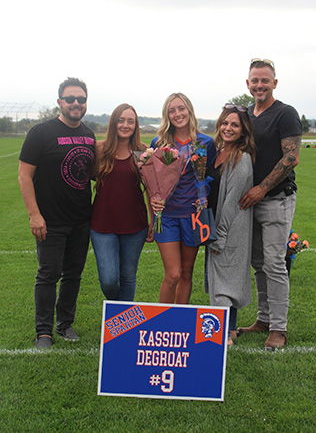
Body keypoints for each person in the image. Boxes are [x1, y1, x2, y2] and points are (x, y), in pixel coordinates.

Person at [18, 77, 95, 349]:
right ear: (60, 102)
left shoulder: (89, 134)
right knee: (48, 275)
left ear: (86, 103)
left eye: (81, 99)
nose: (76, 103)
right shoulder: (40, 133)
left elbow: (93, 172)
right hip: (49, 220)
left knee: (73, 274)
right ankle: (44, 333)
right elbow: (24, 176)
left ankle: (65, 324)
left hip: (81, 219)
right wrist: (34, 215)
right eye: (71, 99)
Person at [238, 59, 302, 350]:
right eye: (255, 80)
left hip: (276, 198)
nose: (259, 85)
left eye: (265, 80)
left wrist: (262, 189)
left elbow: (291, 158)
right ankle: (263, 319)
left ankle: (278, 328)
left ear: (274, 83)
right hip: (249, 201)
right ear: (247, 84)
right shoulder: (246, 115)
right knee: (258, 263)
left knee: (275, 264)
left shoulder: (285, 113)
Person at [150, 93, 216, 304]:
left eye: (181, 108)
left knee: (187, 273)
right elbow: (150, 179)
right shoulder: (159, 142)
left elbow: (212, 178)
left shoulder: (206, 143)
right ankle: (162, 321)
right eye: (172, 110)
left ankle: (178, 321)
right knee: (173, 274)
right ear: (166, 115)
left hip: (193, 216)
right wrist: (153, 198)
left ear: (189, 110)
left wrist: (204, 198)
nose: (177, 114)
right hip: (166, 216)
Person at [90, 104, 154, 301]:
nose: (125, 125)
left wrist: (153, 221)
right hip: (102, 225)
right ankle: (119, 310)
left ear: (136, 125)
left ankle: (123, 326)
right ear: (113, 122)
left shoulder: (143, 152)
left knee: (127, 277)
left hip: (135, 225)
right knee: (108, 279)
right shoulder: (99, 149)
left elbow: (153, 189)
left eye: (131, 121)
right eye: (121, 120)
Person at [206, 104, 256, 346]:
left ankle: (223, 334)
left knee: (225, 279)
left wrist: (221, 235)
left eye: (234, 125)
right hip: (214, 223)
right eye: (225, 123)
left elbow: (232, 202)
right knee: (224, 277)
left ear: (243, 131)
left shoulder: (242, 158)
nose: (228, 128)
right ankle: (231, 329)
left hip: (230, 227)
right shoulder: (217, 152)